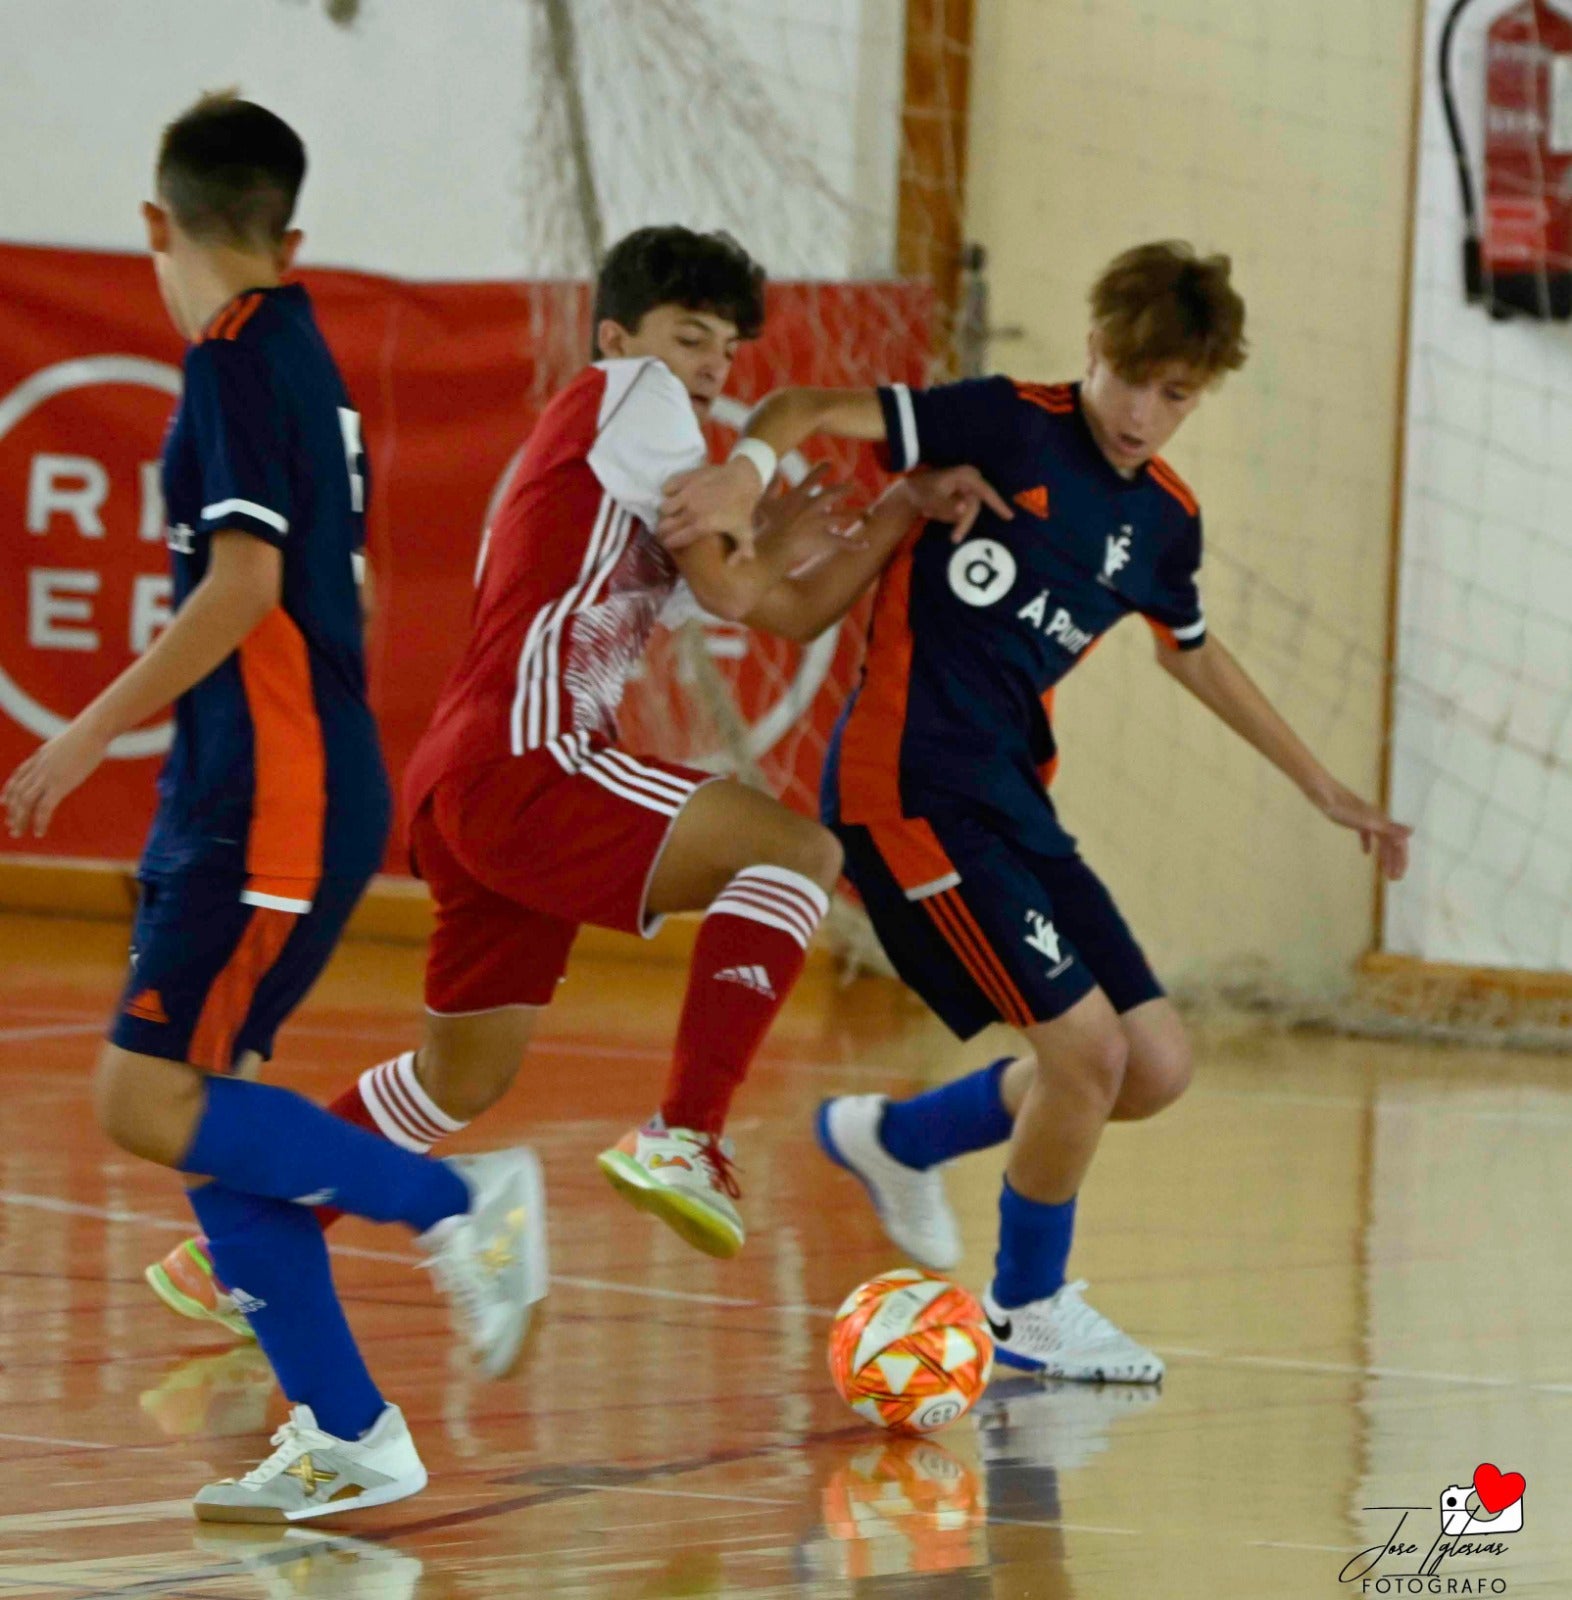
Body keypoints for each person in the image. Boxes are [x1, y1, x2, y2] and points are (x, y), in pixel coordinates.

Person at [140, 223, 1007, 1342]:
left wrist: (892, 513)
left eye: (725, 352)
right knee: (799, 853)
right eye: (689, 337)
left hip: (472, 784)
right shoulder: (635, 400)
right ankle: (683, 1132)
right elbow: (747, 589)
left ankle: (237, 1246)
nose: (709, 367)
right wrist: (757, 505)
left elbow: (779, 607)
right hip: (533, 760)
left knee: (461, 1076)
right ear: (619, 336)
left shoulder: (641, 472)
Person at [659, 240, 1413, 1381]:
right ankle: (1026, 1309)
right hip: (906, 792)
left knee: (1153, 1064)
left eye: (1179, 397)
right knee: (1086, 1050)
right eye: (1136, 380)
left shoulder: (1163, 519)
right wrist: (747, 471)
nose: (1148, 415)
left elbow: (1192, 656)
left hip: (1015, 803)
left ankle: (896, 1139)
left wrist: (1322, 785)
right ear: (1098, 348)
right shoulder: (1005, 421)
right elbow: (806, 400)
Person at [2, 93, 540, 1520]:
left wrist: (81, 734)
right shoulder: (301, 356)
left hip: (272, 793)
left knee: (144, 1095)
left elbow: (247, 590)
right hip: (257, 784)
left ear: (152, 227)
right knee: (197, 1106)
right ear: (289, 234)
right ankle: (350, 1427)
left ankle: (459, 1204)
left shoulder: (239, 362)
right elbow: (334, 590)